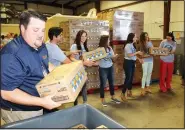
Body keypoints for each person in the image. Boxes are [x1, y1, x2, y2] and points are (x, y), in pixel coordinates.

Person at [1, 9, 61, 124]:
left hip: (39, 102)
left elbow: (44, 63)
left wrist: (64, 73)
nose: (40, 35)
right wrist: (42, 102)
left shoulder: (40, 45)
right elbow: (7, 93)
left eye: (43, 30)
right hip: (20, 111)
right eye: (35, 30)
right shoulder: (11, 55)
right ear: (23, 29)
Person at [70, 30, 95, 105]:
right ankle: (75, 104)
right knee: (76, 88)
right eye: (82, 36)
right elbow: (71, 58)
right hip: (77, 70)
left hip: (84, 69)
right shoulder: (74, 46)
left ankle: (85, 102)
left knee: (84, 86)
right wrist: (82, 62)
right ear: (79, 37)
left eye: (85, 36)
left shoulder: (84, 46)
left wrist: (91, 61)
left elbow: (86, 58)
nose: (84, 38)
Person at [97, 35, 121, 107]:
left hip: (110, 67)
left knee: (111, 83)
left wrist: (115, 57)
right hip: (103, 68)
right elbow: (97, 58)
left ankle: (113, 97)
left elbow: (113, 60)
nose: (109, 41)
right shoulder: (99, 49)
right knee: (103, 84)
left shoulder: (110, 48)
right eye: (108, 40)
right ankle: (102, 99)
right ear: (104, 41)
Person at [120, 33, 143, 101]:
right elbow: (130, 55)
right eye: (135, 37)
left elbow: (133, 55)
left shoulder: (132, 45)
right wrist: (138, 52)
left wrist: (139, 59)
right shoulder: (127, 45)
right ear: (132, 38)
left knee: (131, 78)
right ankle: (122, 93)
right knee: (128, 78)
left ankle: (129, 92)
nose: (136, 38)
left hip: (132, 62)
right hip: (128, 63)